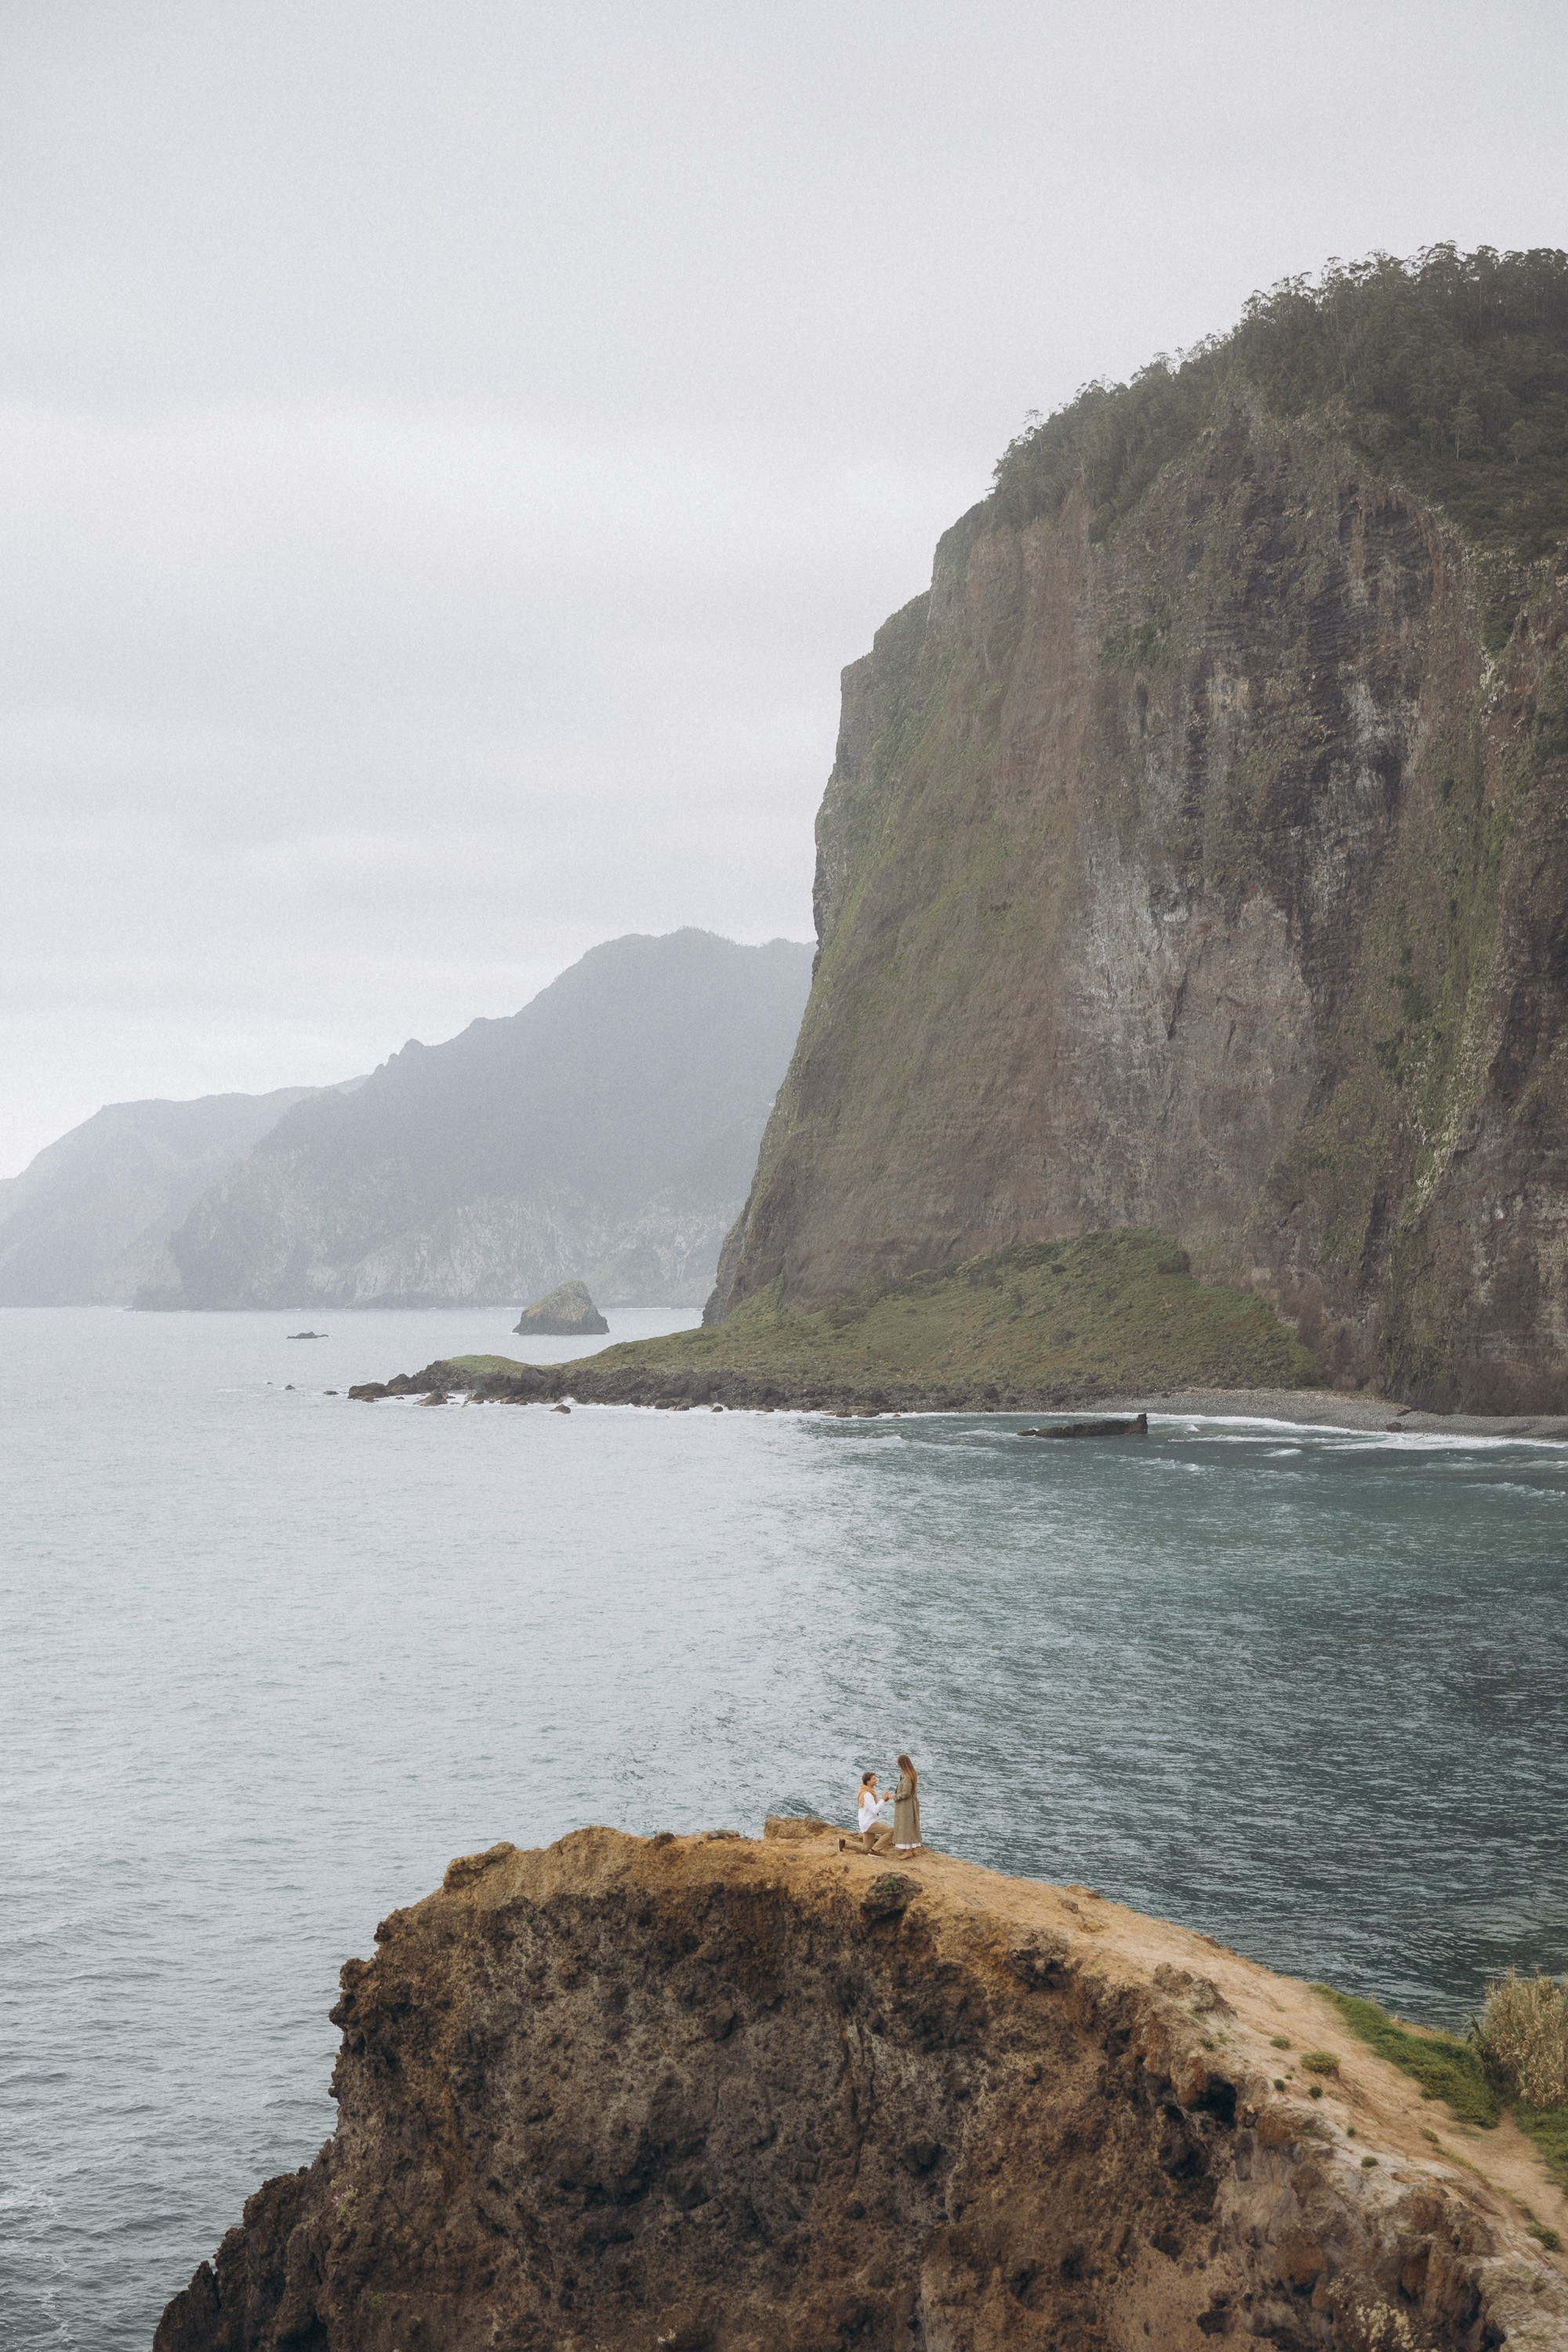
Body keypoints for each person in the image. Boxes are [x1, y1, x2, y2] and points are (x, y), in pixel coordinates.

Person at [840, 1769, 895, 1853]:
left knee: (866, 1849)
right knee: (890, 1831)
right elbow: (875, 1810)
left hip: (865, 1822)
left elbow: (873, 1807)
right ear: (868, 1782)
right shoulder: (867, 1794)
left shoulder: (866, 1792)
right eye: (873, 1778)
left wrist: (883, 1801)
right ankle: (874, 1850)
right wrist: (883, 1800)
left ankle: (844, 1843)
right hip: (869, 1822)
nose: (876, 1779)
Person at [892, 1753, 923, 1852]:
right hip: (911, 1804)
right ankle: (912, 1848)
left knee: (905, 1826)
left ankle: (908, 1850)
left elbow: (906, 1793)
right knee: (911, 1825)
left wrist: (895, 1796)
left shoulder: (906, 1776)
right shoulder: (912, 1774)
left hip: (906, 1806)